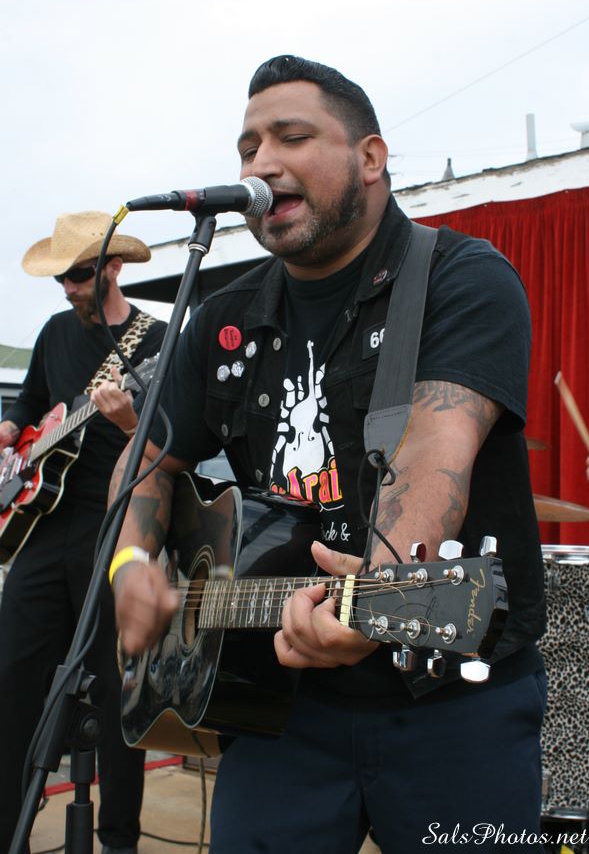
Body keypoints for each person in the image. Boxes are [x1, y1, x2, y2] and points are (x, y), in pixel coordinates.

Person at [109, 57, 547, 853]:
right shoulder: (223, 319)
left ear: (370, 158)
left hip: (452, 697)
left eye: (291, 137)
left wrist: (379, 596)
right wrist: (131, 565)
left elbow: (435, 447)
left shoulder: (461, 279)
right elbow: (147, 462)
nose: (261, 163)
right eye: (248, 148)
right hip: (276, 712)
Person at [0, 211, 166, 854]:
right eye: (61, 279)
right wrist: (11, 434)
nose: (69, 288)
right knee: (12, 679)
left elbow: (169, 444)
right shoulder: (53, 332)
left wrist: (127, 422)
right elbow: (29, 404)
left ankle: (118, 839)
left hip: (113, 526)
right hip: (42, 530)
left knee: (117, 691)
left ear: (112, 269)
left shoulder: (156, 341)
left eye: (79, 275)